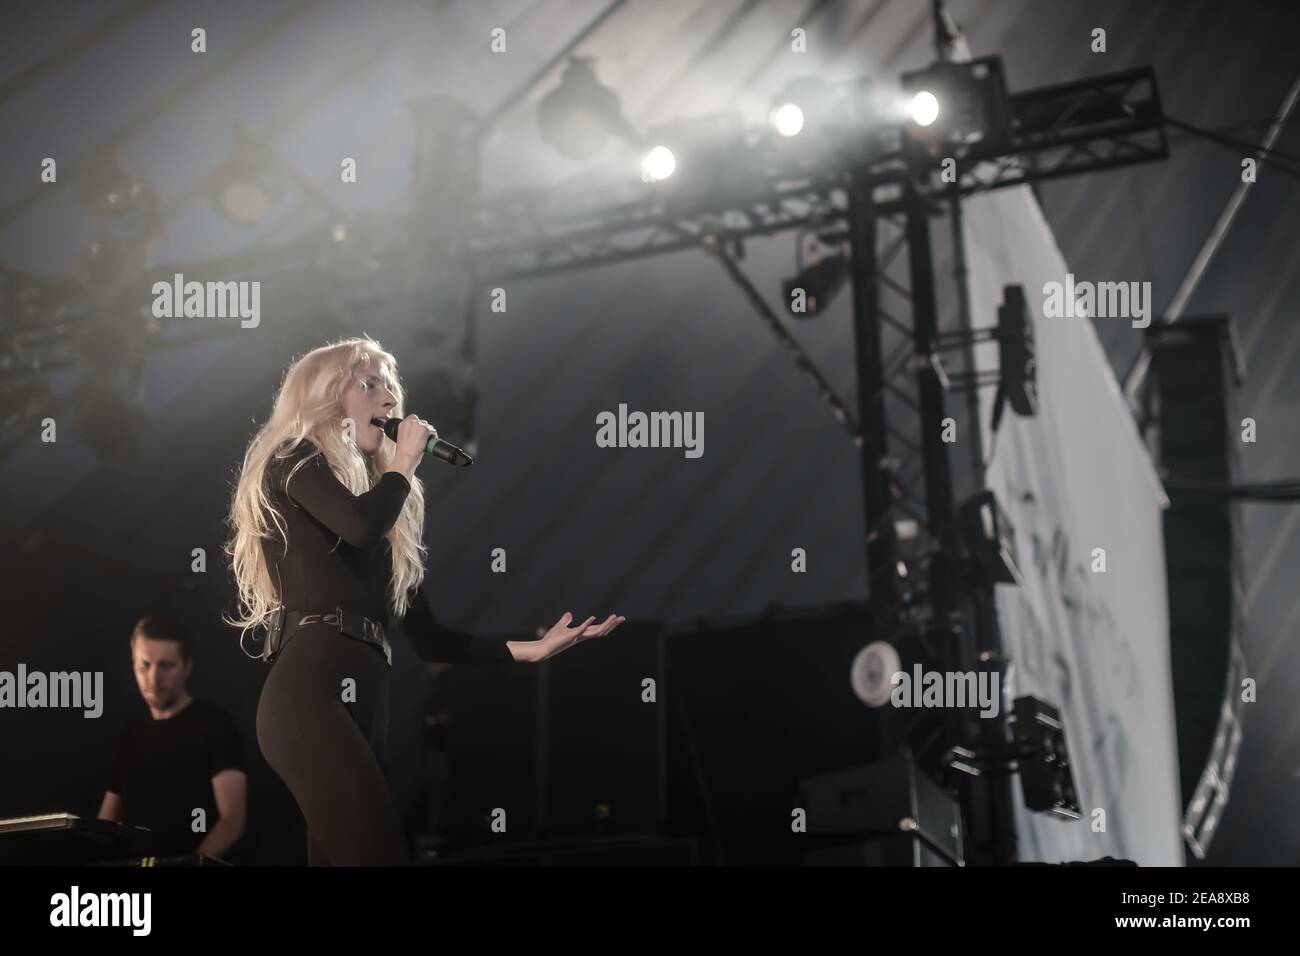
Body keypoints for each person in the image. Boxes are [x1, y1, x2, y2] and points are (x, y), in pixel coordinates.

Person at [223, 336, 623, 866]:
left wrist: (532, 649)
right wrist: (405, 462)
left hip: (365, 704)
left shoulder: (379, 510)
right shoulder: (294, 461)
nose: (389, 397)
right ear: (323, 399)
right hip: (308, 695)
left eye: (391, 385)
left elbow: (432, 639)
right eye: (368, 384)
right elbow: (361, 525)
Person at [97, 613, 247, 860]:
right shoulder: (130, 735)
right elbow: (106, 825)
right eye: (144, 665)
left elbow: (233, 821)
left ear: (187, 666)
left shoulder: (215, 726)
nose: (153, 678)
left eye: (166, 666)